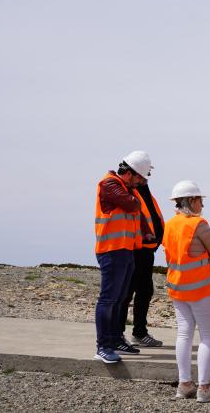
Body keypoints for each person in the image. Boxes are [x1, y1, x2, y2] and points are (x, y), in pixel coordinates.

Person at [163, 180, 210, 403]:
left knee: (184, 334)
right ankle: (204, 387)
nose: (202, 205)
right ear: (191, 200)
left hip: (178, 288)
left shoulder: (169, 225)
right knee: (207, 336)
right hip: (201, 288)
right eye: (200, 200)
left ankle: (184, 384)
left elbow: (172, 257)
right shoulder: (199, 224)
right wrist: (206, 258)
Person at [92, 151, 153, 364]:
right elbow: (131, 205)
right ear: (130, 173)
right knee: (108, 299)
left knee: (119, 299)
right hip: (111, 250)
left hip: (126, 250)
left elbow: (136, 209)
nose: (141, 183)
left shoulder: (127, 187)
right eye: (140, 178)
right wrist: (134, 198)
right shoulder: (109, 184)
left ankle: (116, 339)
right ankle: (103, 345)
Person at [118, 180, 165, 348]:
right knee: (127, 293)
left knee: (145, 291)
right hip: (135, 249)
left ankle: (139, 333)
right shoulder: (129, 190)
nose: (147, 177)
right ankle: (118, 335)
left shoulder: (143, 190)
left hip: (146, 250)